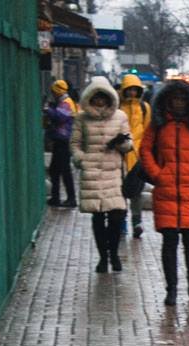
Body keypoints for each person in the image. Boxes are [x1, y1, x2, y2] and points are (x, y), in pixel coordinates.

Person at [141, 80, 189, 306]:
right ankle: (171, 288)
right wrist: (157, 174)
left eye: (183, 99)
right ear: (167, 100)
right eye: (174, 98)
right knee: (169, 242)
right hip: (166, 191)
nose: (178, 103)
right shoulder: (158, 125)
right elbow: (145, 149)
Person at [70, 77, 132, 273]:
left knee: (116, 217)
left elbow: (129, 145)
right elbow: (75, 144)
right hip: (93, 173)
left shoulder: (120, 117)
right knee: (97, 218)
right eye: (96, 97)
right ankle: (102, 258)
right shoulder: (81, 118)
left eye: (103, 98)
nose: (99, 101)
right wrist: (82, 160)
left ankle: (113, 253)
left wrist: (121, 143)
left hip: (113, 173)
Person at [119, 74, 151, 239]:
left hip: (138, 156)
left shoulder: (144, 108)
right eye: (129, 89)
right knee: (120, 191)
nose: (132, 93)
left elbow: (147, 131)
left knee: (136, 191)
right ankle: (122, 221)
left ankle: (136, 222)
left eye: (135, 90)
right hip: (120, 156)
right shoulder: (117, 107)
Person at [45, 79, 77, 207]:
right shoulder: (63, 102)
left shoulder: (66, 103)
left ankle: (71, 198)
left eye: (54, 91)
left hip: (64, 140)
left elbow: (60, 117)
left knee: (64, 170)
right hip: (61, 140)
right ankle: (56, 197)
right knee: (55, 170)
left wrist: (48, 109)